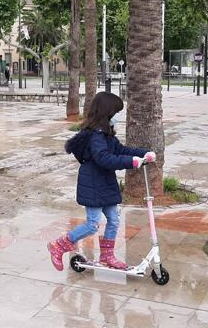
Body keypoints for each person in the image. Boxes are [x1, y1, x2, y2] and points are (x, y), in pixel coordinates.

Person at [47, 92, 156, 271]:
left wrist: (143, 153)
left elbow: (121, 149)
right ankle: (58, 245)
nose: (119, 116)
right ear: (108, 113)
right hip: (93, 183)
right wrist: (132, 162)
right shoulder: (96, 136)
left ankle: (107, 256)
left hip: (105, 182)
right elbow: (104, 158)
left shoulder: (106, 134)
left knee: (113, 220)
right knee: (92, 224)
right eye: (117, 112)